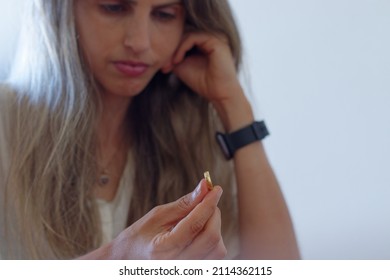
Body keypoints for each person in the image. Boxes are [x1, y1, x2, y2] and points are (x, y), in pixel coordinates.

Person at [0, 0, 300, 259]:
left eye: (164, 14)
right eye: (114, 7)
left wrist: (234, 107)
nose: (140, 41)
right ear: (61, 11)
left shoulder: (191, 139)